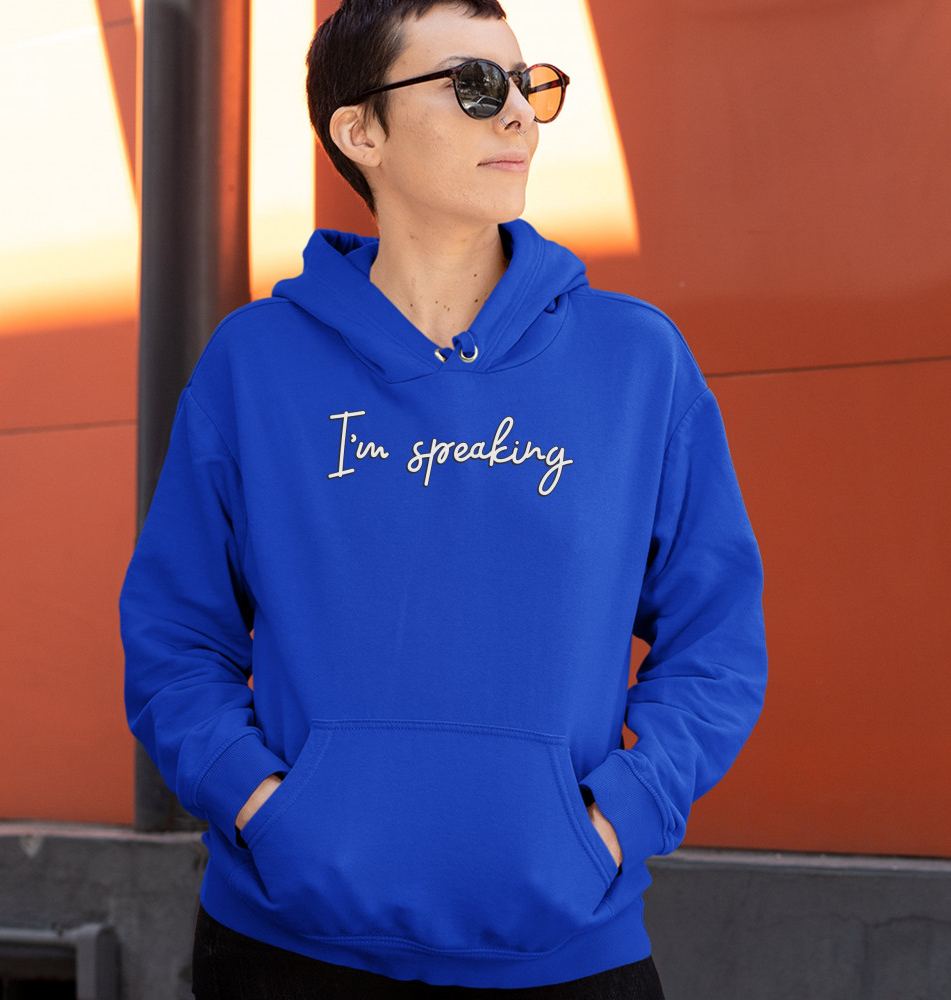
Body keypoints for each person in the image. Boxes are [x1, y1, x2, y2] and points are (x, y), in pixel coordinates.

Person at [120, 1, 768, 996]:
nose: (517, 114)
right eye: (473, 85)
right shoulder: (255, 363)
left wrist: (616, 819)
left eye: (527, 84)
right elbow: (174, 637)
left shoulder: (636, 361)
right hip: (284, 948)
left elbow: (716, 638)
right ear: (360, 130)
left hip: (564, 953)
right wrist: (264, 808)